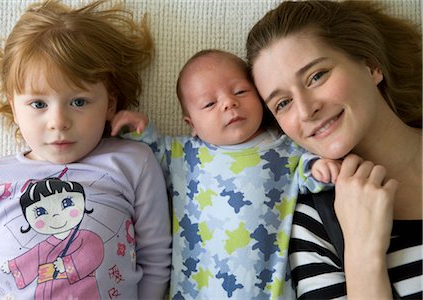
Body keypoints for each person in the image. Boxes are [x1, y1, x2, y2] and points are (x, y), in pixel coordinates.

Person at [0, 1, 171, 299]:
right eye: (38, 104)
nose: (59, 122)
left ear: (110, 104)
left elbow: (155, 258)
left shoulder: (132, 162)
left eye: (78, 102)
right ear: (14, 108)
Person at [111, 49, 340, 299]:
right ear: (192, 125)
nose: (229, 103)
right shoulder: (182, 155)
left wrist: (320, 169)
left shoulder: (287, 148)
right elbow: (145, 159)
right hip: (195, 290)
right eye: (210, 103)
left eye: (240, 91)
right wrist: (137, 131)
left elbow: (310, 175)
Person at [246, 0, 422, 299]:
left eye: (317, 76)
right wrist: (362, 255)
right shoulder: (313, 225)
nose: (305, 109)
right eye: (283, 103)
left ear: (371, 65)